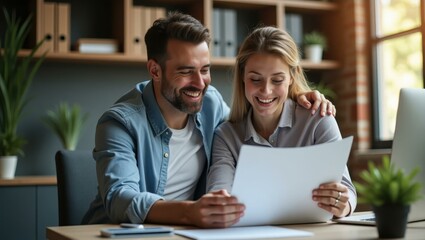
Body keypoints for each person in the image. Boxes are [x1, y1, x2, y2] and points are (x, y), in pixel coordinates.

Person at [82, 12, 336, 228]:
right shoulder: (119, 123)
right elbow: (120, 199)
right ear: (155, 70)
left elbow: (254, 119)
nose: (199, 83)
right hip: (118, 233)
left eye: (205, 70)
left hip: (187, 231)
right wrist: (189, 212)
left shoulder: (210, 104)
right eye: (186, 71)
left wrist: (296, 94)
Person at [207, 26, 357, 219]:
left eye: (277, 80)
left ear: (291, 78)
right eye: (255, 79)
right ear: (243, 77)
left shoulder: (318, 120)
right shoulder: (226, 136)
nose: (266, 91)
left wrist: (343, 205)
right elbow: (218, 196)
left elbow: (347, 191)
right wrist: (220, 208)